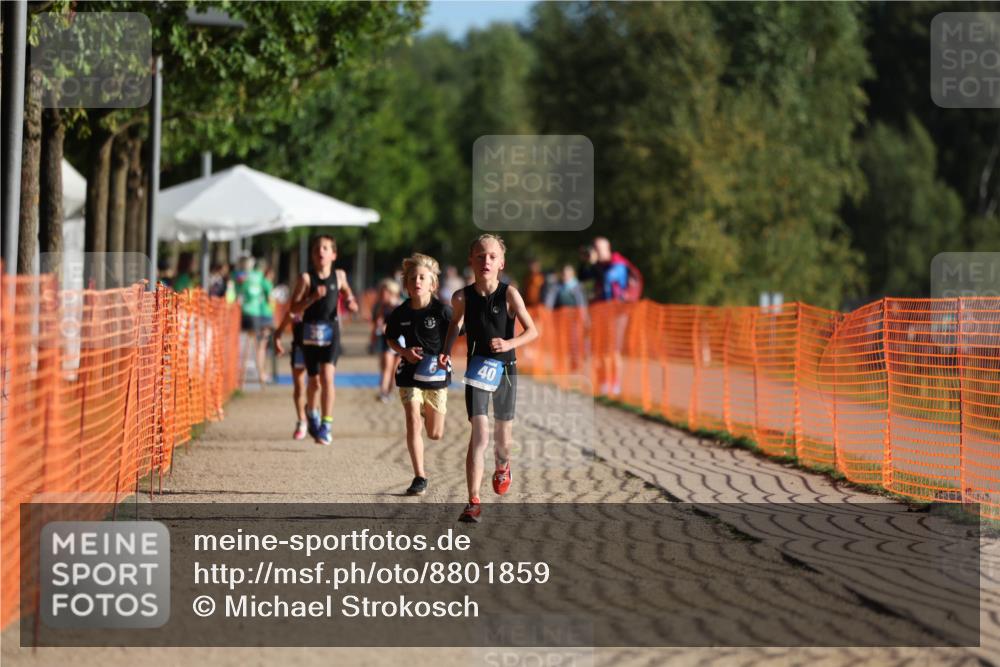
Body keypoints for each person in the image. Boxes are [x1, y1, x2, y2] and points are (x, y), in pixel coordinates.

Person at [440, 234, 538, 523]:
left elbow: (533, 330)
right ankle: (473, 501)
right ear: (471, 260)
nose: (486, 261)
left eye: (492, 256)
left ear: (501, 263)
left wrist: (508, 344)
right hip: (477, 371)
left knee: (502, 440)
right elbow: (455, 324)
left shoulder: (510, 294)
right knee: (480, 435)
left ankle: (503, 465)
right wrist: (446, 352)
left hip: (505, 370)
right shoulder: (462, 297)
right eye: (480, 256)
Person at [385, 254, 453, 496]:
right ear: (406, 285)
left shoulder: (443, 311)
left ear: (432, 284)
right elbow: (390, 337)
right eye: (412, 277)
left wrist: (446, 353)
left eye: (422, 277)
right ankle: (419, 476)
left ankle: (427, 409)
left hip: (436, 377)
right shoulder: (400, 312)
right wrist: (404, 351)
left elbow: (457, 332)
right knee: (413, 419)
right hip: (409, 374)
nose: (417, 281)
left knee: (435, 434)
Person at [289, 235, 358, 445]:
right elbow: (293, 309)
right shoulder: (306, 279)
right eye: (318, 248)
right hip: (309, 334)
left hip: (331, 331)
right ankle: (311, 412)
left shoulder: (339, 276)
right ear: (312, 254)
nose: (321, 251)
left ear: (333, 254)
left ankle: (326, 425)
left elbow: (347, 292)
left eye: (326, 248)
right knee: (314, 381)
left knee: (328, 377)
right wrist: (311, 298)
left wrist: (351, 301)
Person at [273, 310, 321, 440]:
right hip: (300, 346)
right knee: (299, 386)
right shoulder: (300, 299)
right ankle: (302, 421)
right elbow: (290, 313)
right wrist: (279, 332)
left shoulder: (321, 296)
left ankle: (313, 413)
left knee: (315, 382)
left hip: (317, 346)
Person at [237, 256, 274, 387]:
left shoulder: (249, 277)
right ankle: (261, 374)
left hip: (254, 314)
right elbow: (270, 298)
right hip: (263, 315)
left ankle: (259, 373)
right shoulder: (263, 280)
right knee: (260, 347)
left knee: (255, 346)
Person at [370, 278, 402, 402]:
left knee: (395, 369)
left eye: (385, 292)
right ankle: (383, 392)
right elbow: (375, 325)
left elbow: (403, 324)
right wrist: (373, 339)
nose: (382, 295)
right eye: (381, 292)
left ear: (392, 293)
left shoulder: (399, 306)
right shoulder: (379, 307)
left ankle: (389, 391)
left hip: (400, 340)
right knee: (386, 367)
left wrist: (388, 327)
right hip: (386, 340)